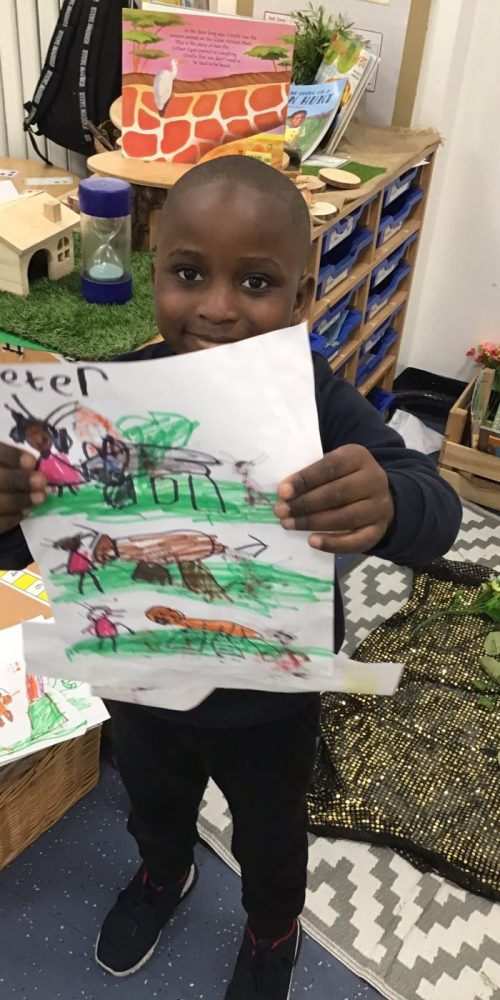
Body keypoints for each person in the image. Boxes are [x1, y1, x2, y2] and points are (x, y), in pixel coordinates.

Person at [0, 156, 462, 999]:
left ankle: (273, 927)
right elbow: (24, 549)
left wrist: (392, 500)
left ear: (301, 295)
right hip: (141, 683)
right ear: (153, 276)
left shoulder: (316, 403)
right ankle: (163, 873)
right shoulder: (101, 402)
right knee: (153, 804)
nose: (217, 307)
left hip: (269, 700)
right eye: (188, 274)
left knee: (271, 837)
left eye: (255, 281)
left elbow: (439, 512)